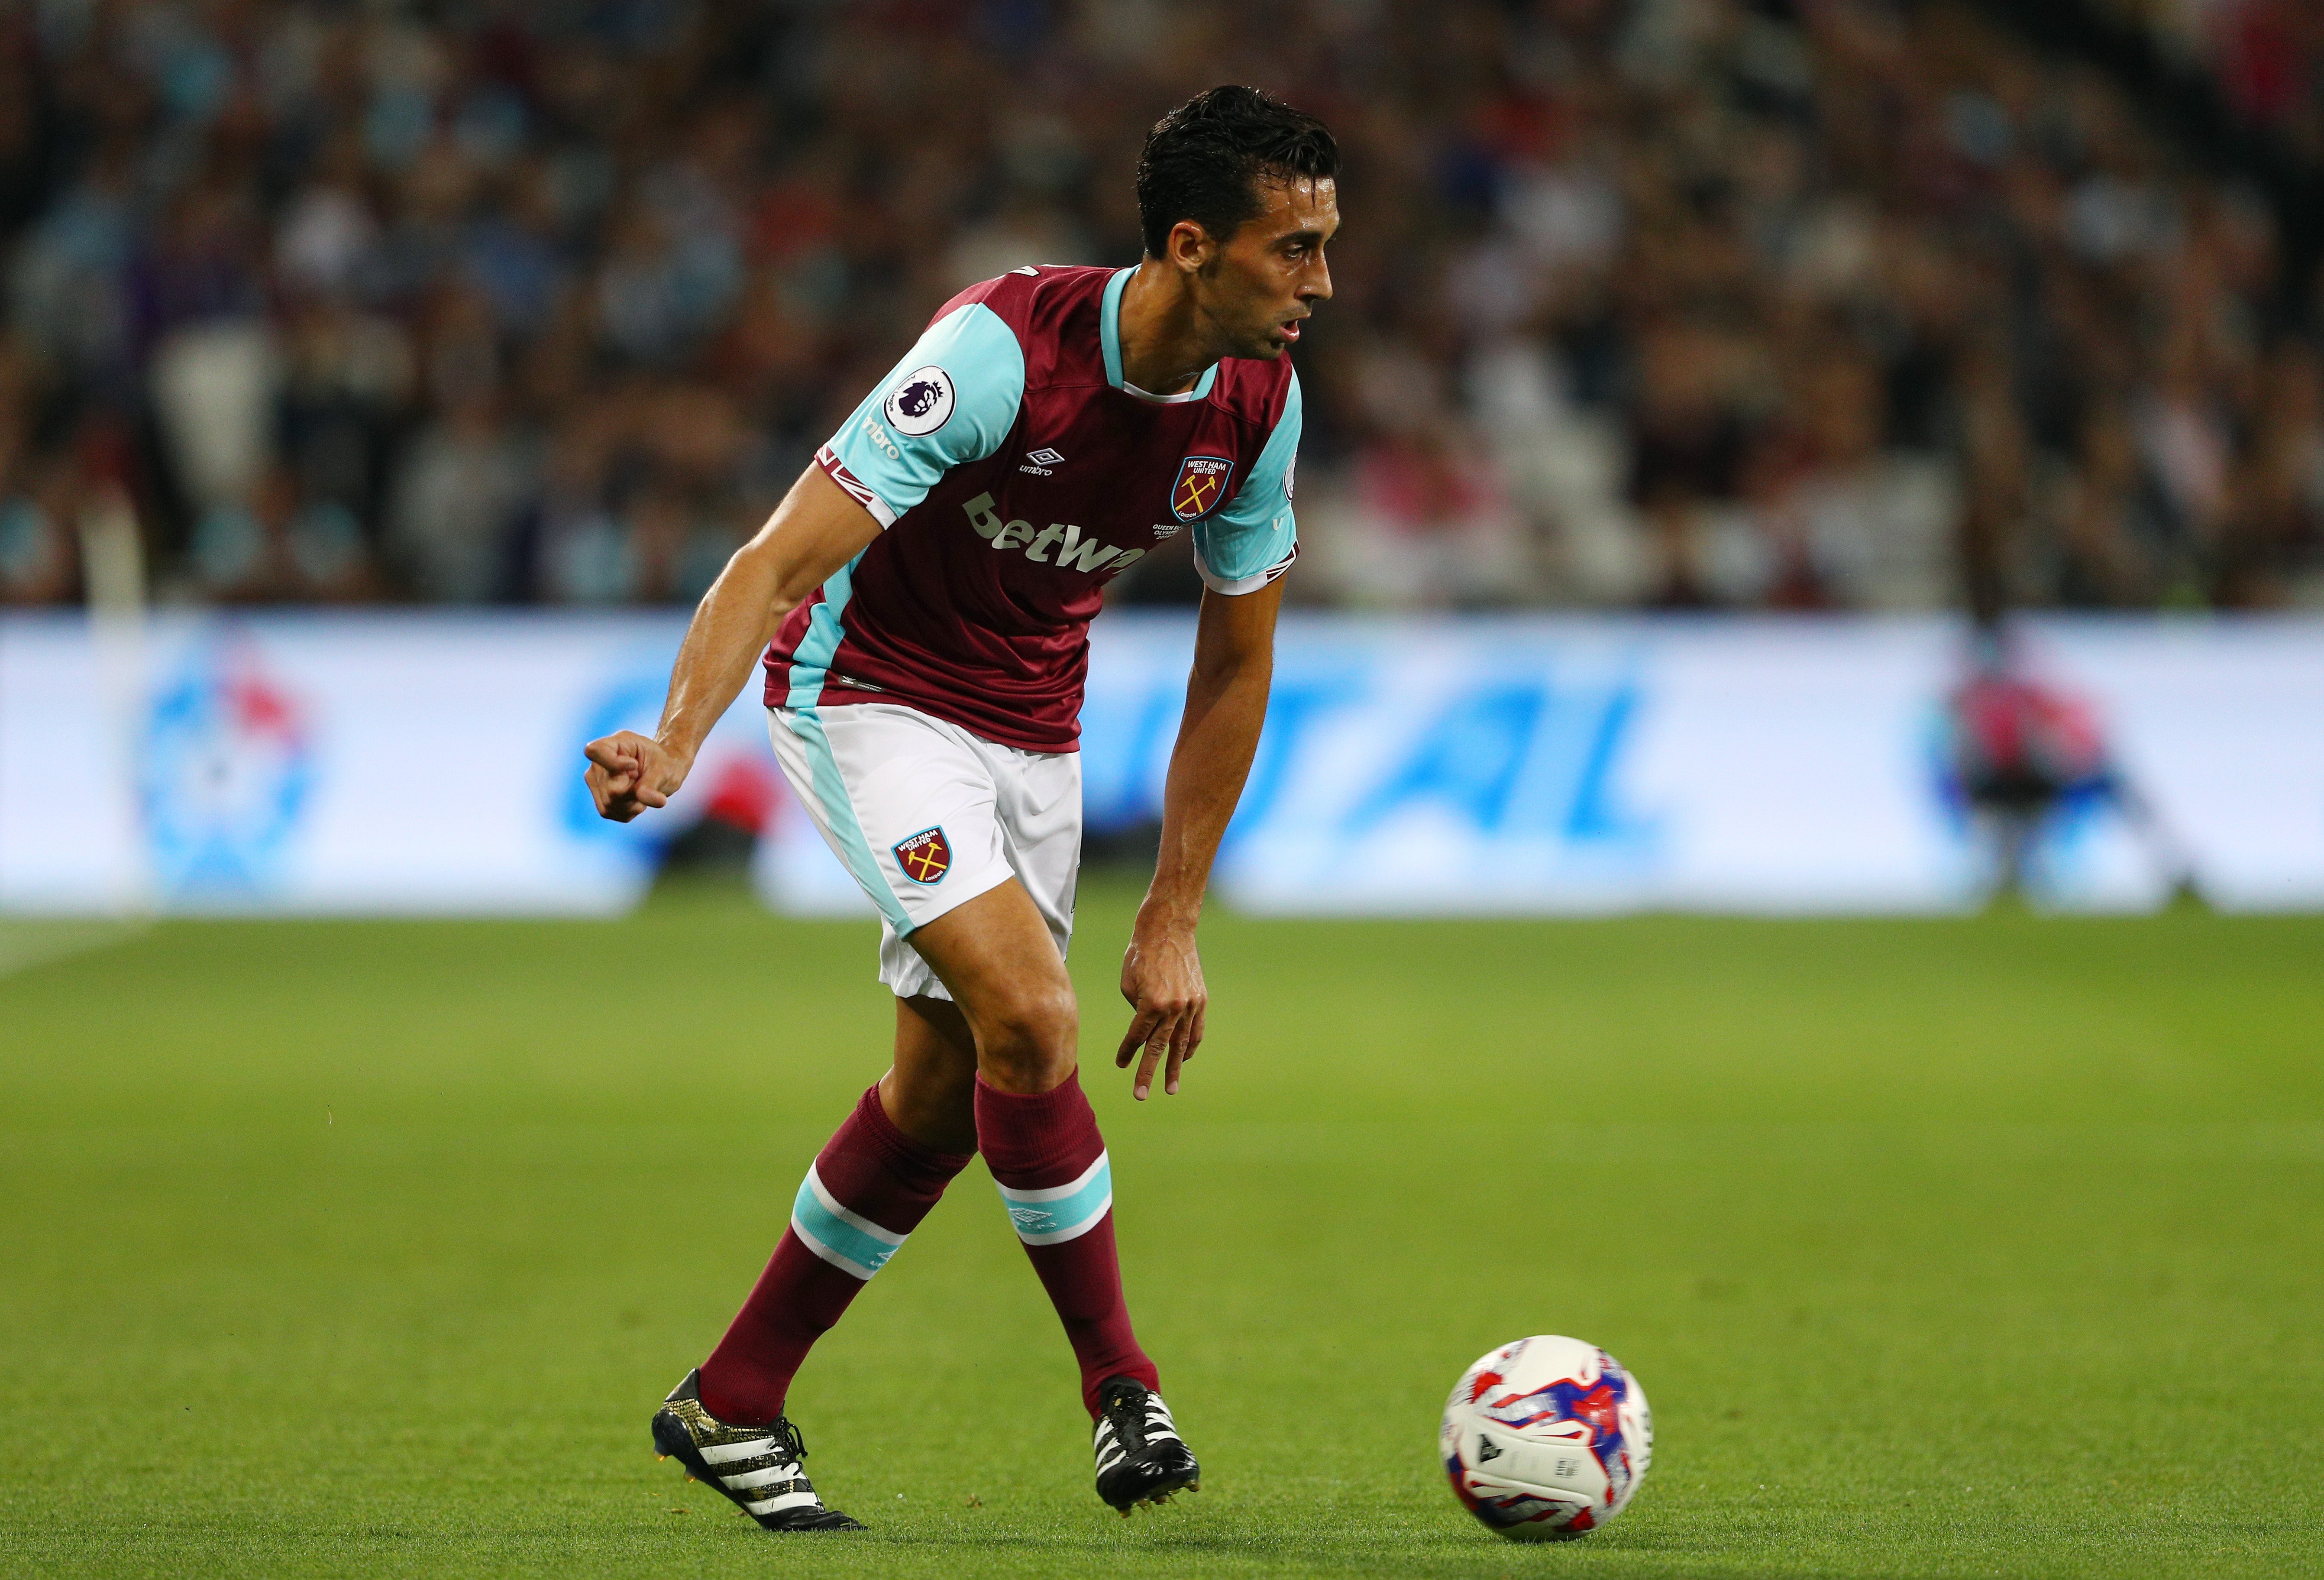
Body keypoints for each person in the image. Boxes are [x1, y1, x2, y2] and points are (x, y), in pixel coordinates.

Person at [582, 86, 1338, 1532]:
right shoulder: (1002, 352)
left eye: (1323, 245)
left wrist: (1174, 913)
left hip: (1032, 732)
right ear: (1191, 246)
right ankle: (1124, 1387)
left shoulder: (1259, 407)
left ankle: (733, 1403)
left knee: (939, 1099)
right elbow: (777, 557)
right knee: (1037, 1022)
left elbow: (1238, 659)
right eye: (1291, 250)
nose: (1322, 282)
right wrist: (680, 742)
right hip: (869, 694)